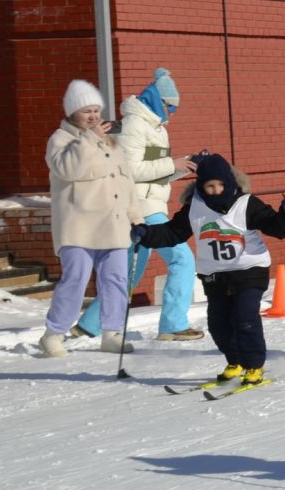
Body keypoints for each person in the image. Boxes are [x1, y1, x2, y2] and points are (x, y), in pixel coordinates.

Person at [133, 153, 285, 388]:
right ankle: (235, 362)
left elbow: (278, 228)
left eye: (220, 185)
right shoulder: (194, 208)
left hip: (249, 270)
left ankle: (254, 365)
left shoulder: (247, 204)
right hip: (215, 276)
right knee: (218, 324)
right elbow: (172, 232)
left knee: (244, 318)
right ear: (200, 186)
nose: (215, 191)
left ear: (229, 183)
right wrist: (146, 234)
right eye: (209, 186)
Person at [74, 68, 199, 342]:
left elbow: (152, 169)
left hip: (147, 205)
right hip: (140, 208)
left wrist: (184, 166)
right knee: (182, 259)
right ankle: (173, 325)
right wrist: (171, 163)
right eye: (170, 106)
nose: (172, 112)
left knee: (129, 271)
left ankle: (89, 326)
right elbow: (130, 168)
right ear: (157, 100)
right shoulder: (135, 124)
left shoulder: (154, 127)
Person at [39, 80, 141, 359]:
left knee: (116, 280)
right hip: (78, 227)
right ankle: (53, 334)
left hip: (115, 225)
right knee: (75, 280)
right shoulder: (60, 140)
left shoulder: (111, 141)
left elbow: (126, 182)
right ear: (72, 112)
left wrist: (137, 218)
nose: (94, 116)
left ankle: (112, 333)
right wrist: (89, 138)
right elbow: (70, 169)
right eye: (87, 111)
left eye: (96, 110)